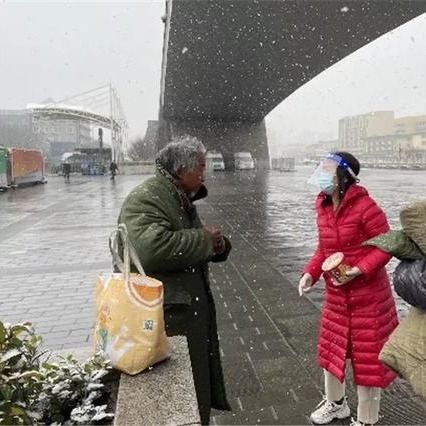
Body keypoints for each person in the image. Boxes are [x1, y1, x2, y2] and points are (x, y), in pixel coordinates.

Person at [117, 136, 231, 424]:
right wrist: (204, 239)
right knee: (178, 399)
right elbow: (150, 249)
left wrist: (217, 245)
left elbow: (186, 241)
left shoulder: (176, 196)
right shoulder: (148, 197)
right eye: (201, 167)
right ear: (182, 168)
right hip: (167, 319)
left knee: (194, 390)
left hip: (183, 313)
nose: (204, 174)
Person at [299, 152, 398, 426]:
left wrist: (358, 270)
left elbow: (386, 245)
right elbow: (324, 249)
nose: (322, 174)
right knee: (331, 353)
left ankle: (367, 420)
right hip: (336, 297)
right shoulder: (323, 206)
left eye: (327, 169)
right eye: (321, 169)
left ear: (344, 176)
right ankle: (336, 404)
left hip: (369, 298)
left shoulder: (366, 207)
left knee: (368, 362)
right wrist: (310, 273)